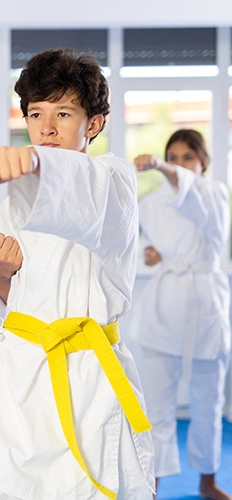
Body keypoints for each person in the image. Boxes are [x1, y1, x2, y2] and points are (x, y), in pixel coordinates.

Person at [0, 49, 155, 500]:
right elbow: (8, 300)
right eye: (35, 113)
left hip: (86, 374)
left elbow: (74, 186)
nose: (46, 127)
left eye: (63, 113)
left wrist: (33, 164)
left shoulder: (114, 180)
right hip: (15, 374)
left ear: (94, 124)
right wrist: (3, 272)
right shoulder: (14, 203)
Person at [134, 130, 231, 500]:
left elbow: (188, 194)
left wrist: (159, 165)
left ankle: (208, 482)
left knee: (208, 403)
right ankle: (152, 485)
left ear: (203, 161)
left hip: (206, 305)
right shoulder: (150, 203)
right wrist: (152, 253)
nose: (178, 164)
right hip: (165, 304)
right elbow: (151, 243)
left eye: (187, 157)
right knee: (157, 406)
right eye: (171, 157)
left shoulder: (214, 193)